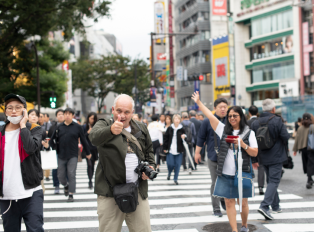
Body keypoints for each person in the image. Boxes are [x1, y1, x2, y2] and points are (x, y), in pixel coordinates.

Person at [192, 92, 258, 232]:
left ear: (241, 117)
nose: (232, 118)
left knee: (243, 202)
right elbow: (209, 116)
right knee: (228, 202)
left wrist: (242, 144)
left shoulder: (248, 133)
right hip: (226, 173)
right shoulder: (223, 130)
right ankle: (234, 230)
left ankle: (244, 225)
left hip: (243, 172)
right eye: (230, 116)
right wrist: (198, 102)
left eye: (235, 116)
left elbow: (255, 152)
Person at [89, 94, 156, 232]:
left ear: (132, 112)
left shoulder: (141, 128)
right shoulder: (104, 124)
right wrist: (111, 130)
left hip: (137, 190)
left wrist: (151, 166)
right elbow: (93, 138)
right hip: (109, 192)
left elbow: (149, 150)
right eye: (119, 111)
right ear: (113, 109)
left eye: (127, 112)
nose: (122, 115)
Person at [0, 93, 44, 231]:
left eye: (18, 108)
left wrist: (23, 125)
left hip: (31, 192)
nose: (13, 111)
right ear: (5, 111)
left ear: (24, 110)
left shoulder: (34, 129)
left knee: (35, 229)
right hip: (7, 196)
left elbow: (30, 148)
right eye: (10, 108)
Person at [251, 99, 290, 220]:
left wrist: (254, 159)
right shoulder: (277, 120)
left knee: (271, 181)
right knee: (274, 181)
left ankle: (276, 206)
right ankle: (264, 206)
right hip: (276, 155)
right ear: (273, 109)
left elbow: (252, 142)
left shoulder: (255, 122)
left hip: (262, 156)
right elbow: (285, 136)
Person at [195, 98, 228, 217]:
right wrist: (197, 153)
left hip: (229, 158)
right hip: (214, 156)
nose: (223, 109)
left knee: (227, 181)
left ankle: (224, 199)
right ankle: (216, 208)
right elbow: (201, 138)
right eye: (221, 107)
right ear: (215, 108)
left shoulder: (231, 120)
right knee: (215, 182)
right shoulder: (207, 121)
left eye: (225, 106)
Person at [50, 108, 92, 202]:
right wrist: (50, 147)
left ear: (73, 116)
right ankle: (66, 185)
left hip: (73, 154)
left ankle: (71, 194)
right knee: (60, 175)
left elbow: (84, 140)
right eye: (66, 114)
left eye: (69, 114)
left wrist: (88, 152)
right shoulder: (59, 127)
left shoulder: (77, 127)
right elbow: (52, 139)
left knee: (71, 174)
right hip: (61, 154)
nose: (67, 115)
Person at [163, 114, 186, 185]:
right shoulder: (169, 128)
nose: (177, 120)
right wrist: (164, 148)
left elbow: (186, 137)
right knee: (170, 164)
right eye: (175, 119)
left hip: (179, 150)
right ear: (173, 120)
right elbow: (165, 139)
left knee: (178, 165)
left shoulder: (182, 129)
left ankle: (175, 179)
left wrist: (184, 137)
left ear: (180, 120)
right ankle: (169, 172)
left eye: (178, 119)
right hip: (170, 150)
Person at [293, 113, 314, 189]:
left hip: (303, 149)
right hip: (311, 149)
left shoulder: (300, 128)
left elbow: (297, 140)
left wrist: (295, 150)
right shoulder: (312, 127)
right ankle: (309, 180)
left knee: (306, 164)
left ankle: (310, 179)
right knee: (310, 164)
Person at [247, 105, 265, 195]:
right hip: (261, 147)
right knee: (261, 167)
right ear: (257, 113)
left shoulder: (247, 123)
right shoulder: (260, 122)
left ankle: (250, 185)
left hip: (249, 148)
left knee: (249, 166)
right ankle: (261, 187)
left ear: (249, 113)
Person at [47, 109, 64, 194]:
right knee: (55, 169)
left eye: (62, 114)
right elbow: (50, 138)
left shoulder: (68, 125)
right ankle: (56, 185)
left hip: (66, 151)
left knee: (66, 169)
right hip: (56, 150)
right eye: (59, 114)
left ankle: (66, 185)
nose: (61, 116)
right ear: (56, 116)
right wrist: (53, 147)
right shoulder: (53, 126)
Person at [82, 112, 98, 189]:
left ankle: (91, 179)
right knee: (89, 165)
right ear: (88, 118)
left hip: (94, 148)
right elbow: (82, 138)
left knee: (93, 165)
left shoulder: (97, 126)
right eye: (91, 118)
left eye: (93, 118)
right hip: (87, 149)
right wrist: (87, 133)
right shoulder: (84, 127)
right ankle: (90, 181)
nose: (92, 120)